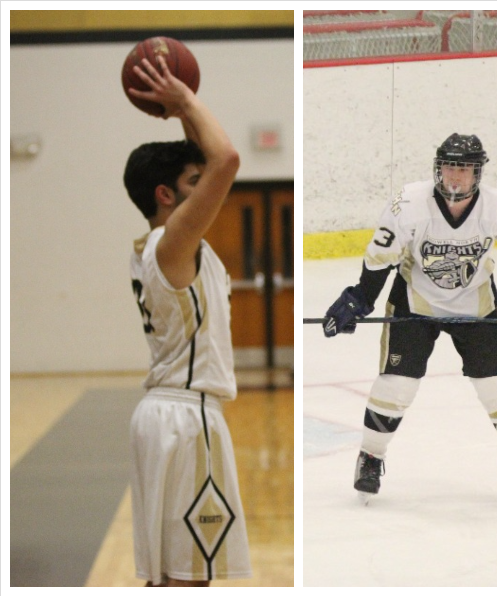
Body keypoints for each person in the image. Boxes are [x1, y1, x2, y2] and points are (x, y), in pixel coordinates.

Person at [323, 133, 497, 506]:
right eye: (449, 167)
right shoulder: (408, 203)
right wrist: (361, 296)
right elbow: (381, 256)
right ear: (437, 169)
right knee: (396, 384)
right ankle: (371, 457)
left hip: (475, 304)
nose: (456, 177)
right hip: (414, 301)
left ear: (478, 174)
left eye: (465, 169)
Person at [123, 55, 251, 586]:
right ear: (165, 196)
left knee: (167, 574)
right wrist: (185, 101)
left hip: (161, 418)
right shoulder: (174, 243)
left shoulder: (158, 247)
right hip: (186, 419)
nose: (209, 189)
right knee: (188, 577)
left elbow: (211, 161)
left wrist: (181, 119)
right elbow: (227, 159)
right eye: (193, 182)